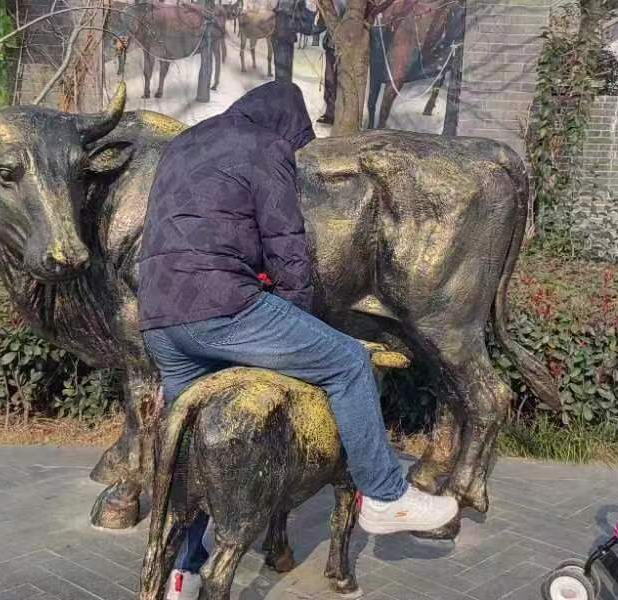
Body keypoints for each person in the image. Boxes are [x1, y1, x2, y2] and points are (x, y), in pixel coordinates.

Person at [137, 81, 458, 600]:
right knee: (348, 361)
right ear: (286, 126)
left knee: (190, 450)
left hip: (159, 320)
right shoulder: (265, 144)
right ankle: (384, 495)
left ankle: (184, 572)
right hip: (223, 307)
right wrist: (298, 316)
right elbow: (285, 245)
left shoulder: (184, 144)